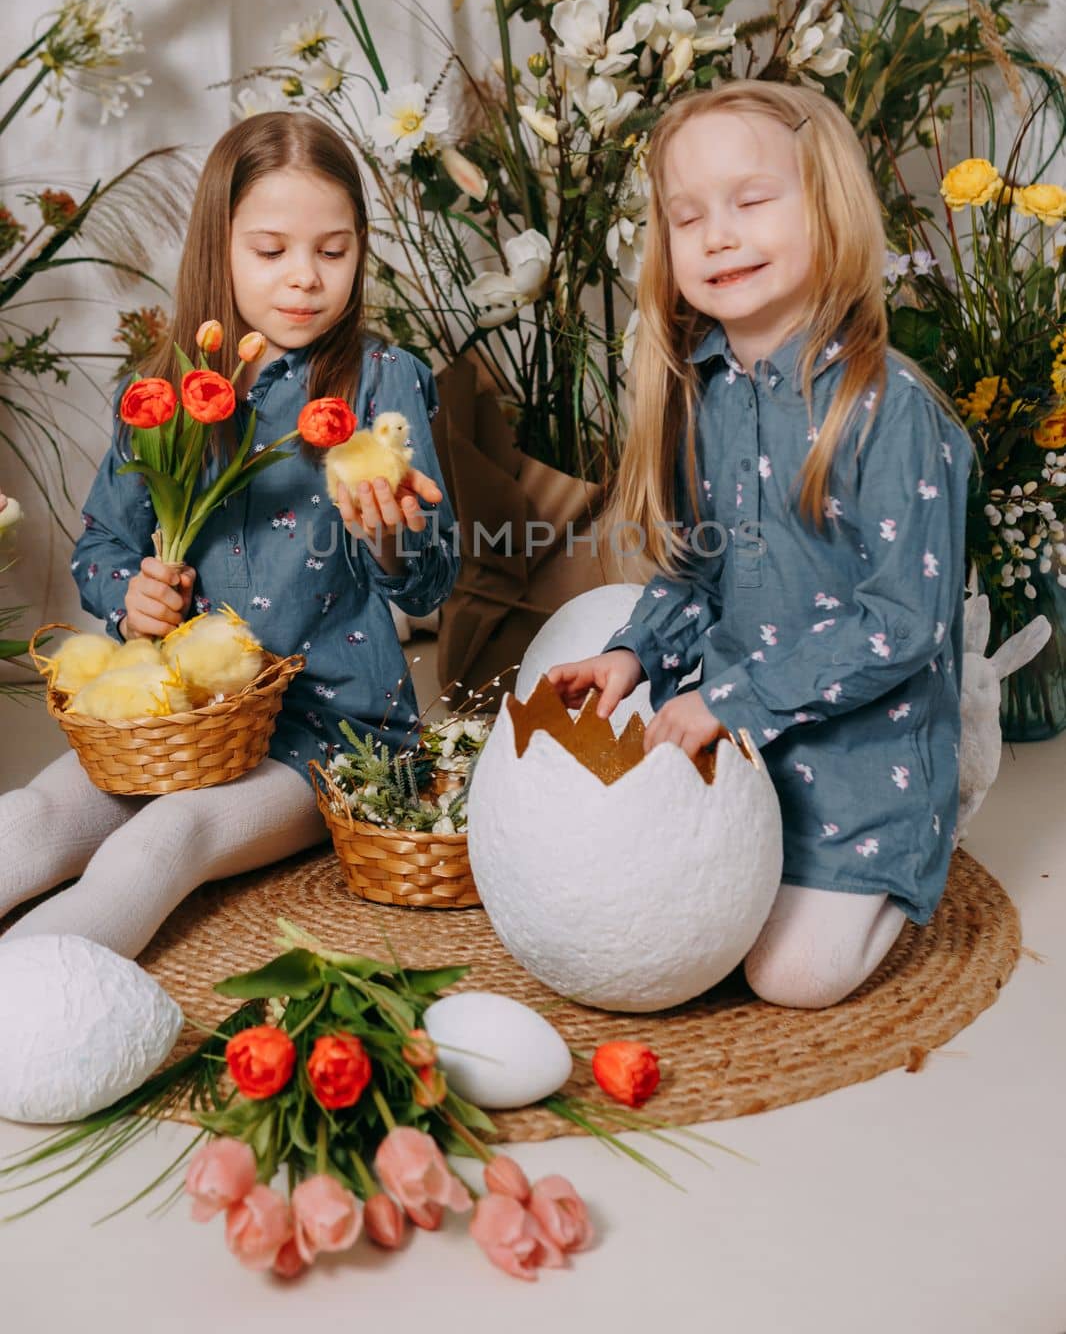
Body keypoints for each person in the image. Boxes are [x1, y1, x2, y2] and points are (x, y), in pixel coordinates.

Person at [547, 81, 973, 1009]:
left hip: (863, 756)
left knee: (788, 978)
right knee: (640, 918)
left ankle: (928, 816)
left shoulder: (891, 410)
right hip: (736, 741)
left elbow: (904, 626)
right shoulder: (701, 392)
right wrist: (633, 654)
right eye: (687, 215)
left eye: (751, 201)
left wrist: (730, 700)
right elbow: (697, 569)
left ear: (827, 205)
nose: (717, 235)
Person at [0, 111, 459, 958]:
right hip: (186, 718)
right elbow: (103, 547)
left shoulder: (384, 380)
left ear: (361, 247)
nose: (305, 280)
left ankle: (33, 1010)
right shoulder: (164, 392)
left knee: (159, 843)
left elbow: (429, 585)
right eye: (271, 249)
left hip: (331, 729)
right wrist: (127, 599)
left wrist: (391, 539)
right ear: (220, 245)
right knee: (31, 819)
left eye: (333, 250)